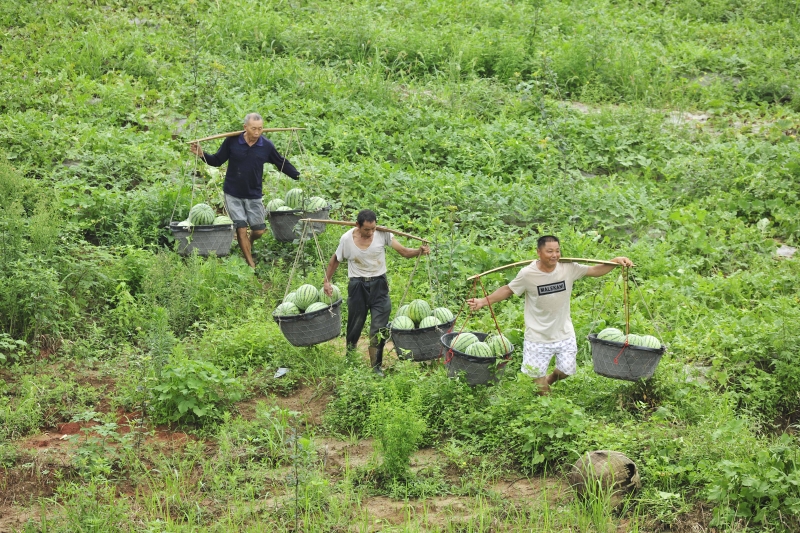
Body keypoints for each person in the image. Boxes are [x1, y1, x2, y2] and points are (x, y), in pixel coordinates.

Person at [467, 235, 633, 394]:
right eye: (550, 251)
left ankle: (551, 379)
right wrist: (483, 301)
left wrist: (615, 261)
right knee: (537, 382)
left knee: (565, 372)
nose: (555, 255)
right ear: (539, 252)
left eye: (557, 251)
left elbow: (595, 270)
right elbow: (508, 290)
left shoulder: (568, 268)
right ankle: (549, 409)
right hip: (537, 336)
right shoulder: (527, 274)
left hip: (564, 333)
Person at [323, 210, 430, 376]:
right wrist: (326, 281)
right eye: (367, 229)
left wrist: (419, 251)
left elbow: (403, 252)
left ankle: (376, 367)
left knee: (378, 328)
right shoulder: (346, 239)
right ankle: (350, 357)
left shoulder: (383, 235)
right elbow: (335, 259)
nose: (371, 232)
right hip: (357, 285)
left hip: (379, 285)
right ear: (357, 225)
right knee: (355, 324)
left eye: (373, 228)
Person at [190, 113, 300, 268]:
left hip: (253, 194)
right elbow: (217, 160)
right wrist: (202, 154)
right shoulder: (232, 141)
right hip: (233, 193)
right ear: (245, 127)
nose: (257, 133)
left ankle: (250, 241)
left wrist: (298, 176)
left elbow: (280, 162)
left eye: (260, 129)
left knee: (259, 230)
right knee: (241, 228)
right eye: (253, 129)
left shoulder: (266, 146)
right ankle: (251, 265)